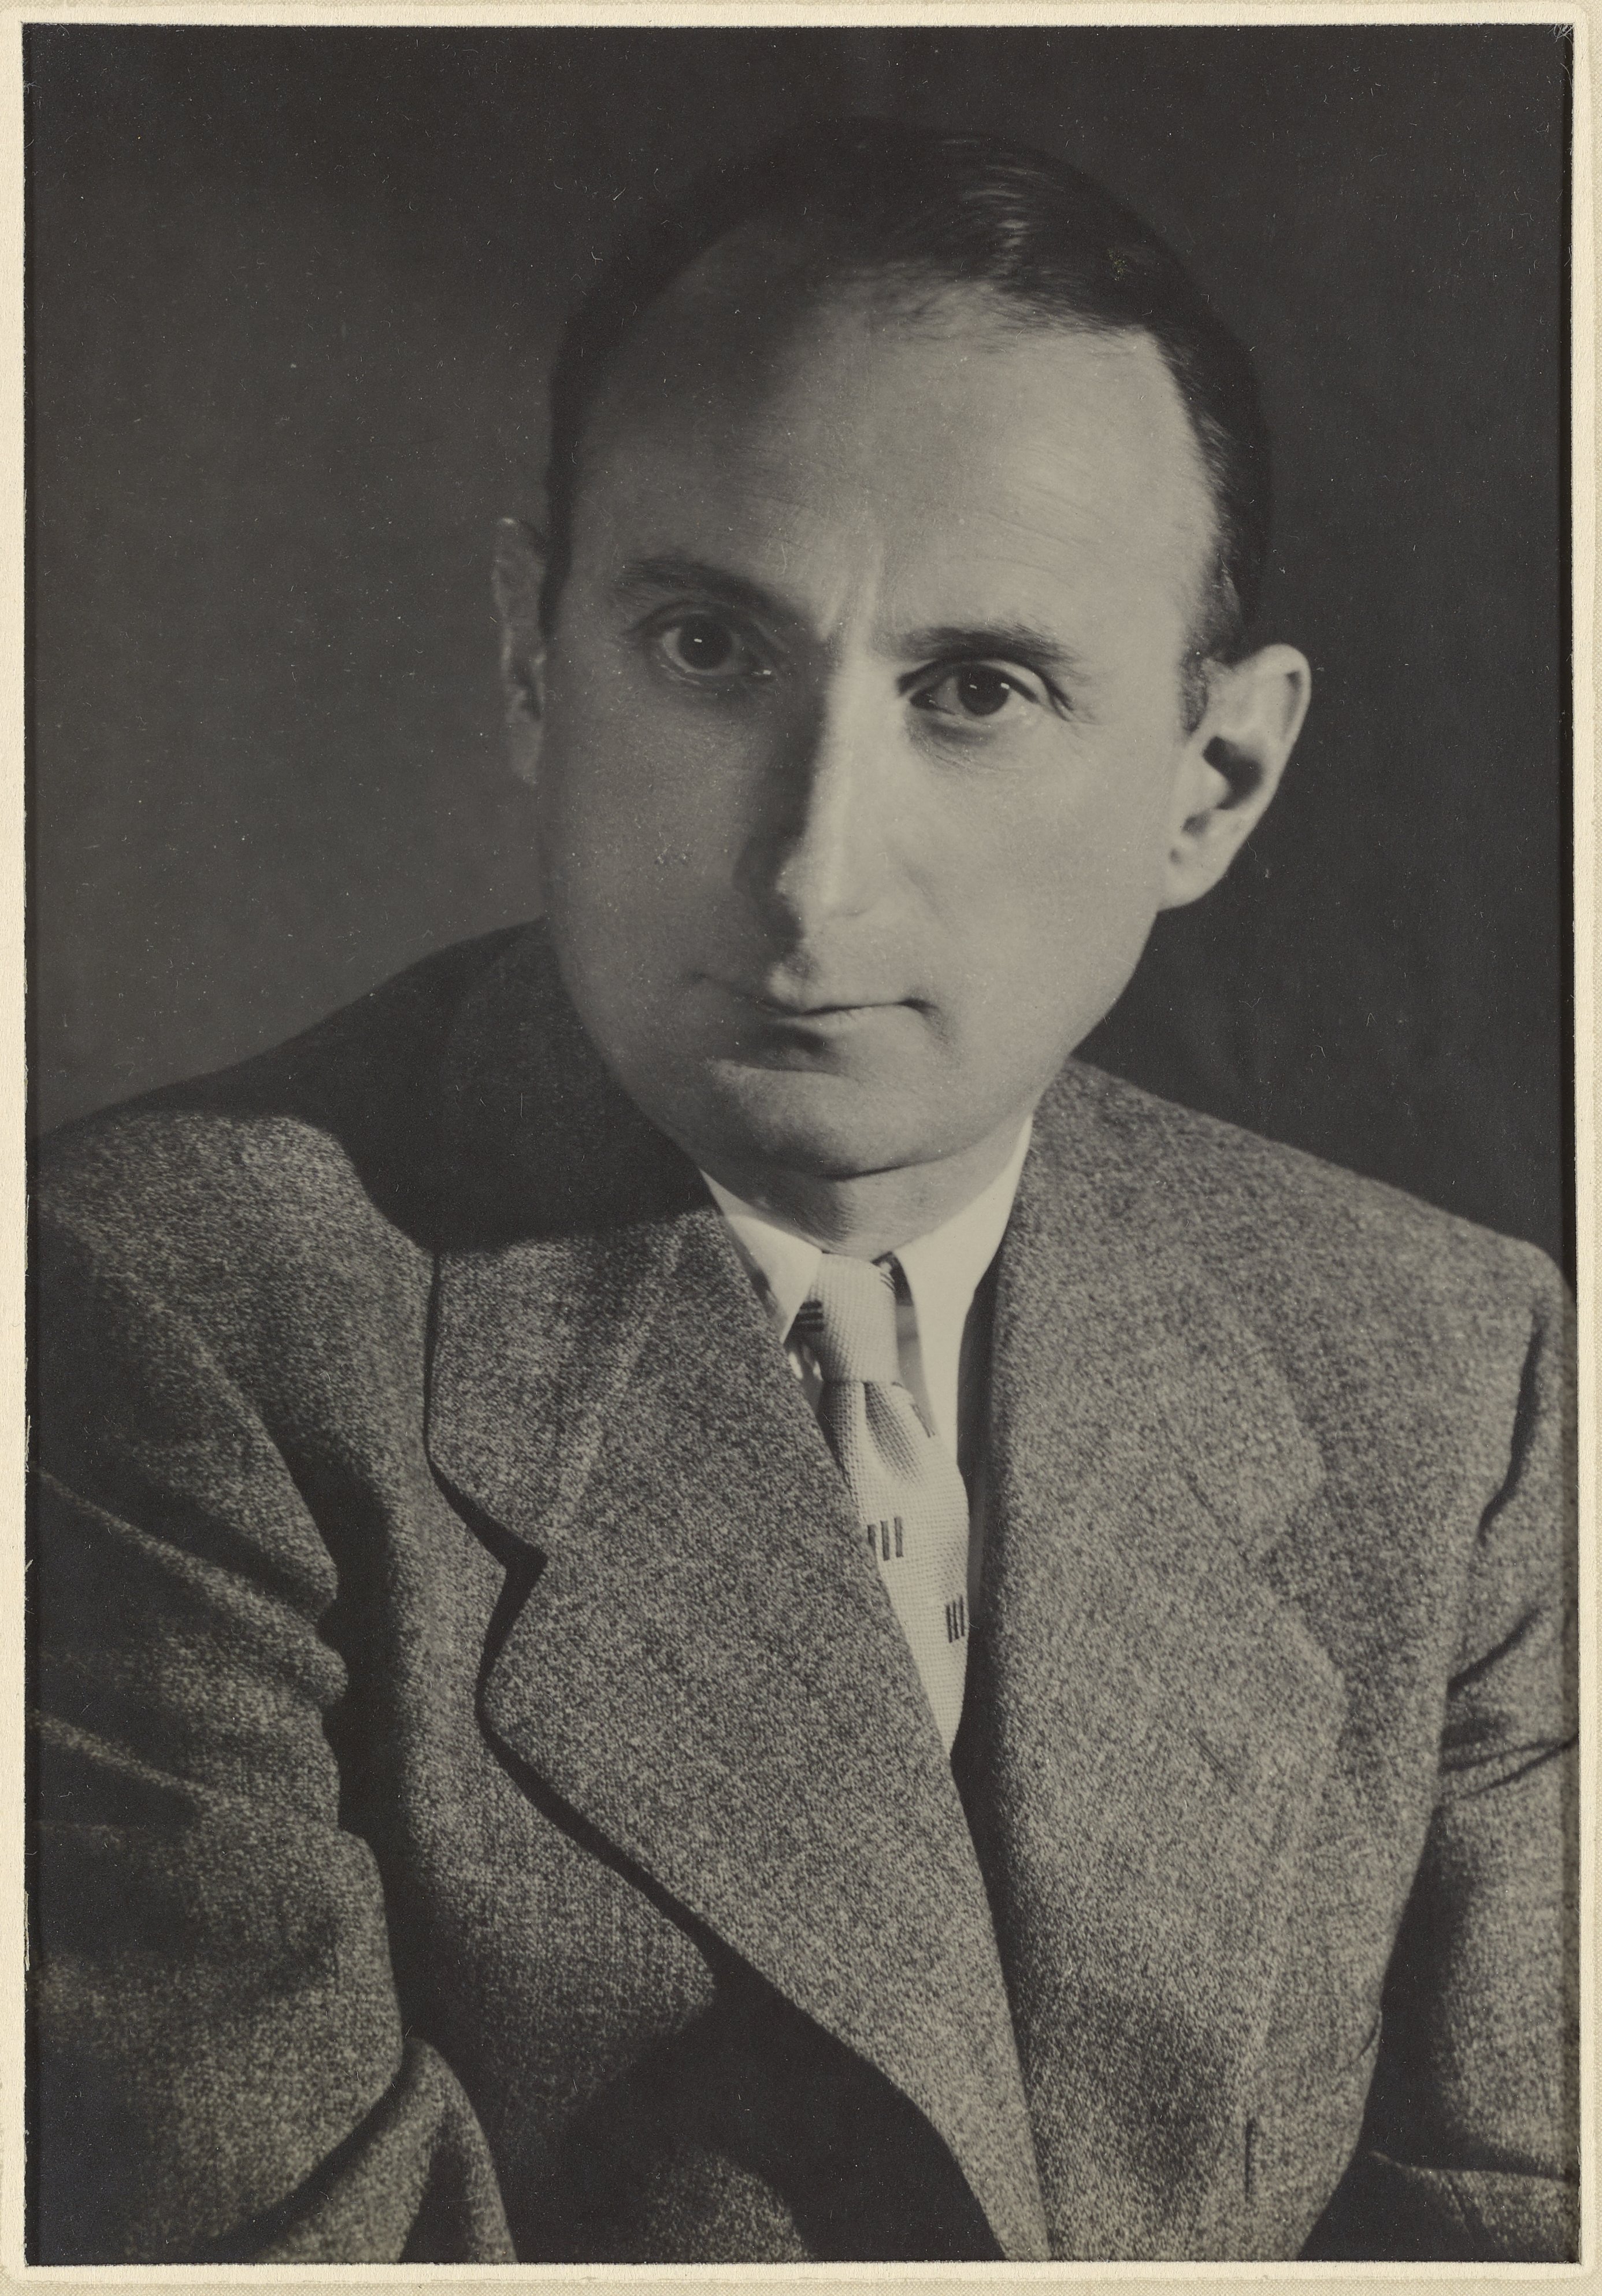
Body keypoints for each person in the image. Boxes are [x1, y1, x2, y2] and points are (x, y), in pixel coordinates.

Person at [29, 118, 1576, 2267]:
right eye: (704, 648)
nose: (811, 869)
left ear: (1210, 782)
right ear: (531, 656)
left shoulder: (1448, 1368)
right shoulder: (166, 1310)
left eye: (978, 690)